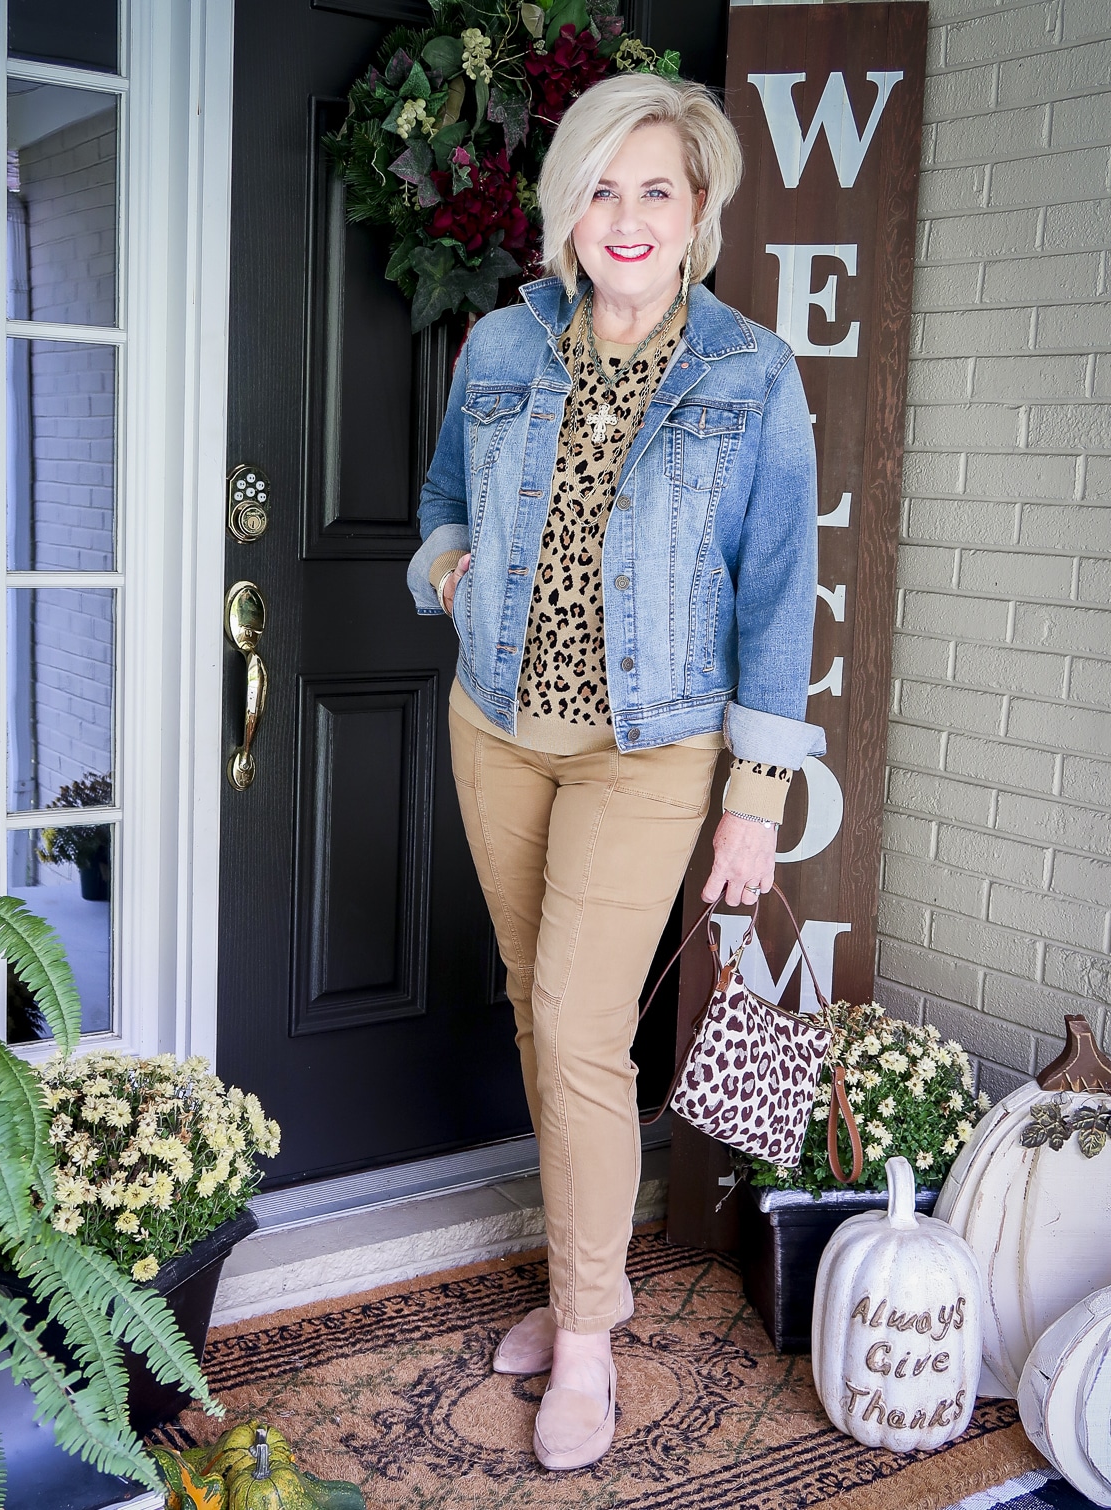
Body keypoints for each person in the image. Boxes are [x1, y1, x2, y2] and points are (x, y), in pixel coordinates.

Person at [407, 72, 824, 1471]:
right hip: (496, 723)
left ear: (698, 210)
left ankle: (585, 1333)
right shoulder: (501, 349)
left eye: (658, 189)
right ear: (567, 208)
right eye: (604, 186)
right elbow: (443, 498)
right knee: (542, 1009)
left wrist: (754, 805)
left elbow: (780, 592)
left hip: (652, 750)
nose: (627, 216)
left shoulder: (751, 373)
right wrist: (445, 566)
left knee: (581, 1028)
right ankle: (599, 1274)